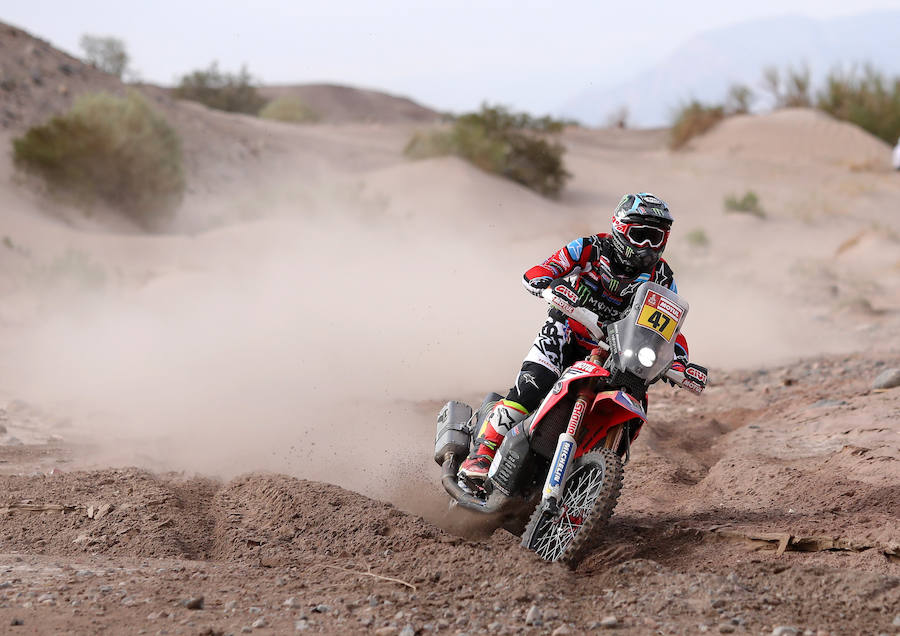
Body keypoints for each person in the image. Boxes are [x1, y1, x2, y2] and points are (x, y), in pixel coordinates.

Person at [459, 192, 702, 482]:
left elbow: (668, 328)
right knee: (530, 389)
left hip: (616, 355)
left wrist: (681, 360)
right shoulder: (591, 248)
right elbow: (545, 268)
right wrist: (548, 282)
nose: (648, 245)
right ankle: (481, 456)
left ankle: (588, 478)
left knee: (634, 402)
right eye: (640, 235)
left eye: (656, 237)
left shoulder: (662, 278)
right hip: (565, 334)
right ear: (621, 229)